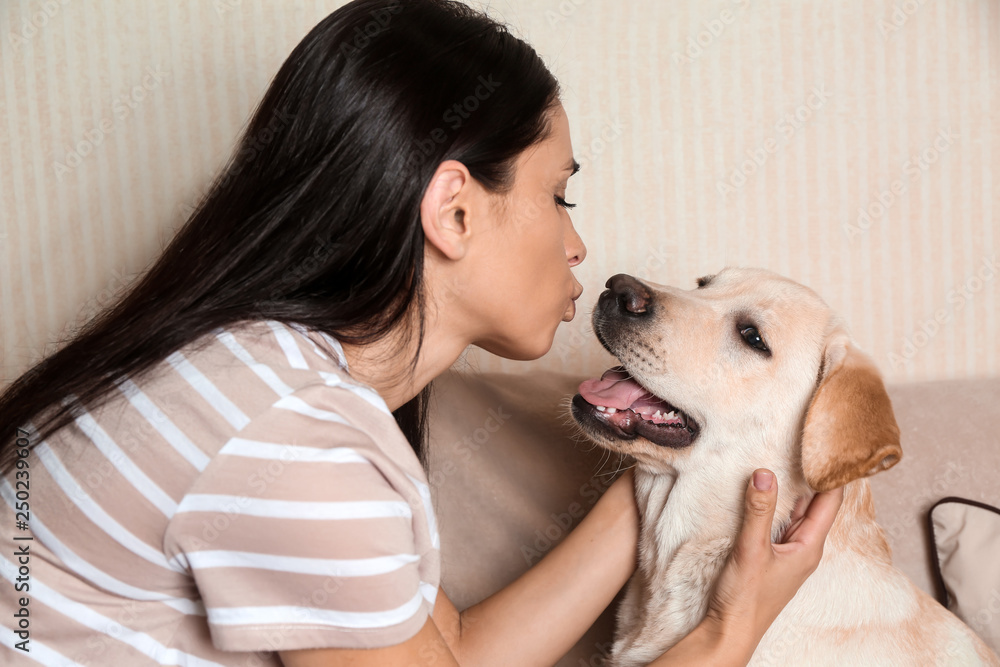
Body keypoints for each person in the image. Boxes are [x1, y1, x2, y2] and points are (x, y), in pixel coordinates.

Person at [0, 1, 844, 665]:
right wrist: (728, 634)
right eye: (560, 197)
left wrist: (664, 449)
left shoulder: (264, 378)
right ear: (454, 209)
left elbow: (458, 654)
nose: (578, 245)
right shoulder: (294, 440)